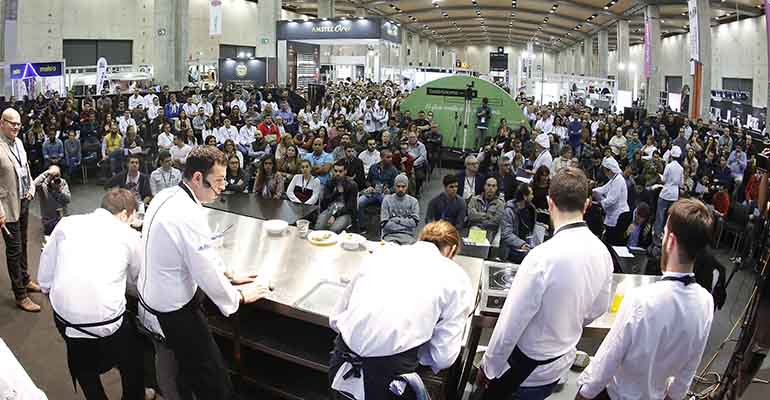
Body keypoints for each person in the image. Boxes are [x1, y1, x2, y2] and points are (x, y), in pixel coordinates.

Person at [137, 147, 269, 400]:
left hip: (154, 295)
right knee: (211, 374)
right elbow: (204, 269)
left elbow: (201, 252)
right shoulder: (187, 214)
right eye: (218, 181)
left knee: (183, 367)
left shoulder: (168, 195)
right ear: (198, 177)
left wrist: (228, 273)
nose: (222, 187)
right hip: (174, 308)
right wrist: (238, 296)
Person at [476, 167, 613, 399]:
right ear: (587, 205)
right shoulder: (602, 254)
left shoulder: (542, 257)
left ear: (550, 203)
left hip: (524, 373)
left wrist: (489, 366)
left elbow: (512, 321)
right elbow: (597, 309)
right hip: (558, 366)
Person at [576, 199, 715, 400]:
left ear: (671, 241)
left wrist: (584, 394)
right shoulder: (706, 302)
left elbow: (607, 360)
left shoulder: (642, 299)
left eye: (664, 233)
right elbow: (688, 370)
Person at [329, 220, 474, 400]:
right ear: (451, 250)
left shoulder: (381, 254)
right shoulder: (456, 277)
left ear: (421, 238)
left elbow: (336, 318)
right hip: (390, 379)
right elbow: (443, 357)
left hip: (342, 363)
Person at [39, 189, 148, 400]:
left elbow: (44, 278)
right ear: (126, 214)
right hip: (107, 326)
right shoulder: (130, 235)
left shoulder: (67, 223)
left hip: (66, 323)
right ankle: (135, 395)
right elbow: (137, 280)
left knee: (80, 357)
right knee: (134, 352)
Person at [0, 108, 40, 312]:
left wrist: (31, 186)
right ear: (2, 123)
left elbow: (25, 169)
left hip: (24, 200)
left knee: (23, 244)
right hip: (7, 208)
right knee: (14, 251)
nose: (16, 126)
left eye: (18, 124)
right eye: (12, 123)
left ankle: (25, 279)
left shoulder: (19, 143)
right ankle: (20, 295)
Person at [357, 150, 399, 232]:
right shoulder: (373, 167)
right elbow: (368, 180)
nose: (390, 159)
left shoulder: (393, 170)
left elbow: (396, 185)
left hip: (384, 193)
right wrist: (369, 186)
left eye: (391, 157)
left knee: (386, 202)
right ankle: (362, 226)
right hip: (372, 192)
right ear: (382, 157)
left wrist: (390, 190)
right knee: (360, 202)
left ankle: (385, 227)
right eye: (388, 157)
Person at [592, 157, 630, 246]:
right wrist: (593, 190)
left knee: (613, 241)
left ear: (610, 171)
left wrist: (599, 202)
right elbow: (604, 188)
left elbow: (611, 200)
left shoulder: (618, 181)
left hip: (619, 215)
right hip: (613, 214)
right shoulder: (614, 179)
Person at [316, 160, 359, 233]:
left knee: (333, 230)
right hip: (330, 209)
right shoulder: (330, 182)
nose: (337, 173)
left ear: (345, 171)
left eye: (340, 171)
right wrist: (336, 193)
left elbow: (350, 207)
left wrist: (334, 216)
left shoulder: (352, 185)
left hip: (345, 212)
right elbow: (325, 201)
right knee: (318, 228)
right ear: (332, 171)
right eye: (335, 171)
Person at [501, 184, 537, 264]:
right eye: (531, 194)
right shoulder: (509, 211)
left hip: (527, 247)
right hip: (511, 251)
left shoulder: (531, 210)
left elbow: (530, 229)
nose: (532, 196)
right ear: (524, 196)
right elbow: (506, 234)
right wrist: (521, 244)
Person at [380, 174, 420, 245]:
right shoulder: (387, 200)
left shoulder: (413, 202)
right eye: (398, 186)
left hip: (408, 237)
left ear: (407, 187)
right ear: (394, 186)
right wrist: (405, 227)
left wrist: (396, 220)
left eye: (403, 186)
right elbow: (385, 225)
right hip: (389, 237)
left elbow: (414, 223)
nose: (400, 189)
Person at [654, 146, 684, 237]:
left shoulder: (669, 166)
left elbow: (664, 180)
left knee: (660, 215)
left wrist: (660, 176)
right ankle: (666, 234)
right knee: (669, 217)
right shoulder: (681, 168)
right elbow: (681, 183)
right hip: (675, 195)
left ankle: (657, 234)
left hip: (666, 193)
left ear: (671, 155)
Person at [32, 165, 71, 235]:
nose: (55, 178)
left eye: (57, 175)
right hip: (49, 221)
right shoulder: (43, 186)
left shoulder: (62, 183)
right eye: (53, 175)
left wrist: (58, 191)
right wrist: (48, 172)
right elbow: (33, 184)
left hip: (62, 219)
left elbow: (68, 200)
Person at [467, 177, 505, 243]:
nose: (490, 188)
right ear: (484, 186)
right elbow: (471, 216)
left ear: (496, 188)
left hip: (491, 233)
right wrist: (487, 215)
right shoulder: (474, 199)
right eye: (488, 185)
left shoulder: (500, 204)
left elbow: (496, 222)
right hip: (475, 230)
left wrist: (479, 221)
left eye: (493, 186)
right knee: (475, 230)